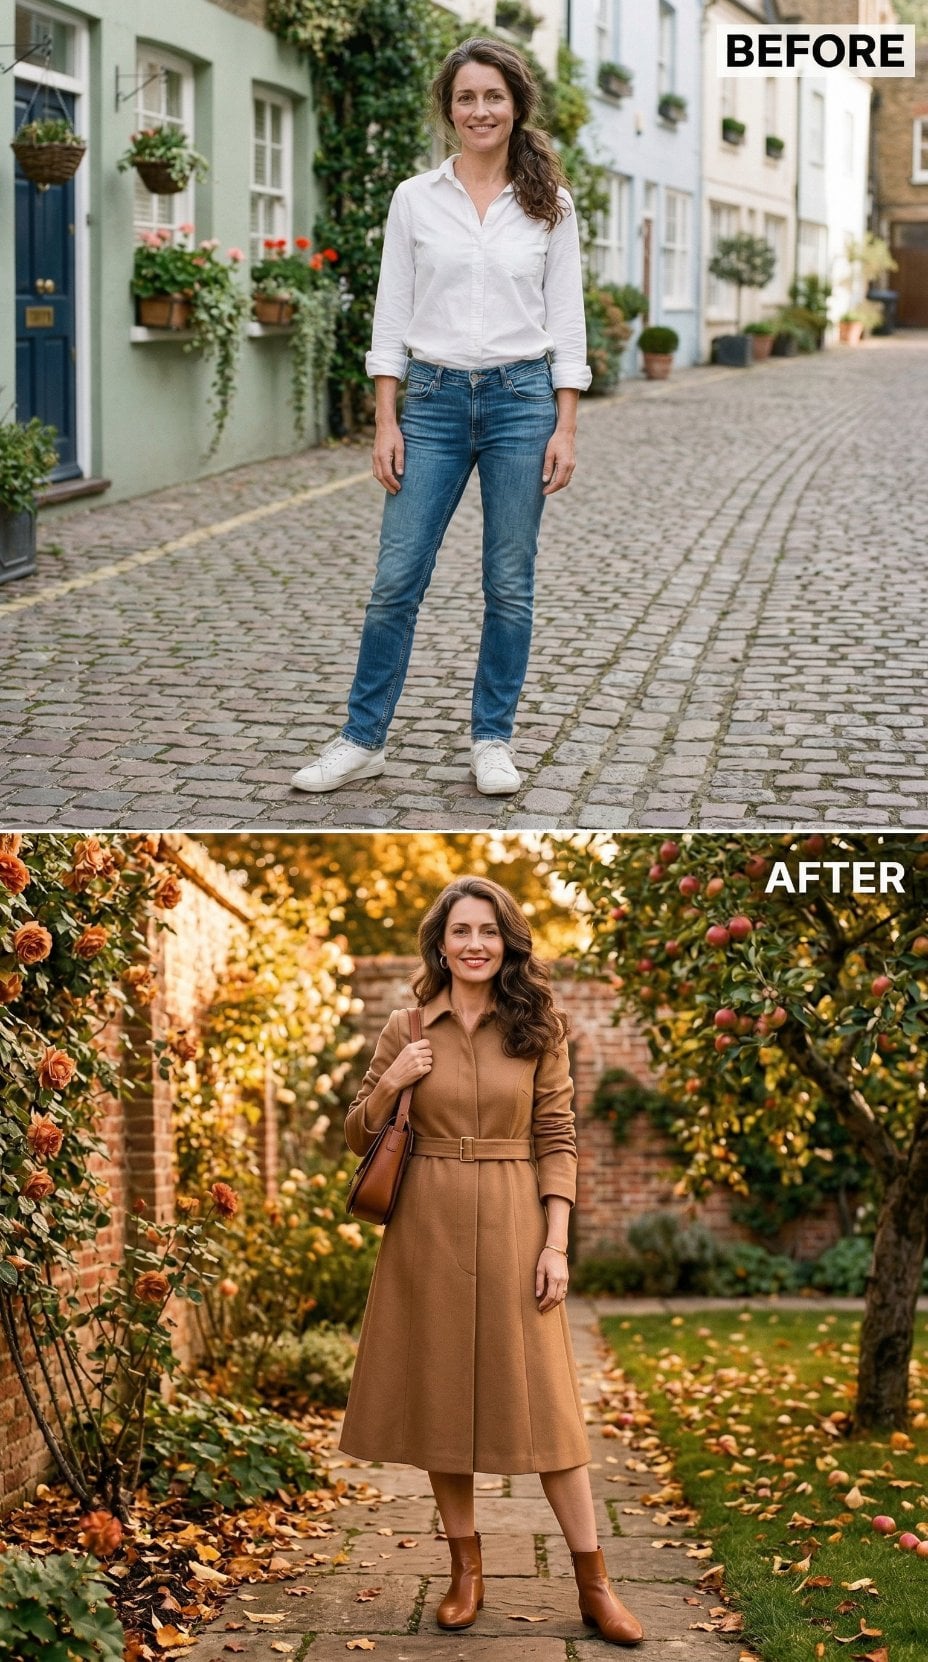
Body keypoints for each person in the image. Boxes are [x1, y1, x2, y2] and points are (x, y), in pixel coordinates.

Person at [337, 877, 645, 1646]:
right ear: (440, 943)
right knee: (444, 1399)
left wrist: (556, 1240)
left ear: (508, 942)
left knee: (547, 1413)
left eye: (489, 930)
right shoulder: (406, 1026)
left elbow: (559, 1134)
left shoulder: (539, 1026)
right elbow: (356, 1131)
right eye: (461, 930)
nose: (475, 943)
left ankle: (594, 1583)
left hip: (514, 1218)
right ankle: (465, 1573)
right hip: (427, 1225)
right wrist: (396, 1081)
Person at [291, 36, 591, 799]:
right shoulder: (414, 198)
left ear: (516, 104)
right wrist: (384, 420)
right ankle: (362, 740)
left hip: (523, 403)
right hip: (428, 403)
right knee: (396, 580)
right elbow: (391, 314)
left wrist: (566, 424)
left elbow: (568, 321)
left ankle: (492, 738)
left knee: (508, 583)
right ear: (449, 109)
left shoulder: (550, 205)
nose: (480, 110)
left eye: (494, 96)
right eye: (466, 98)